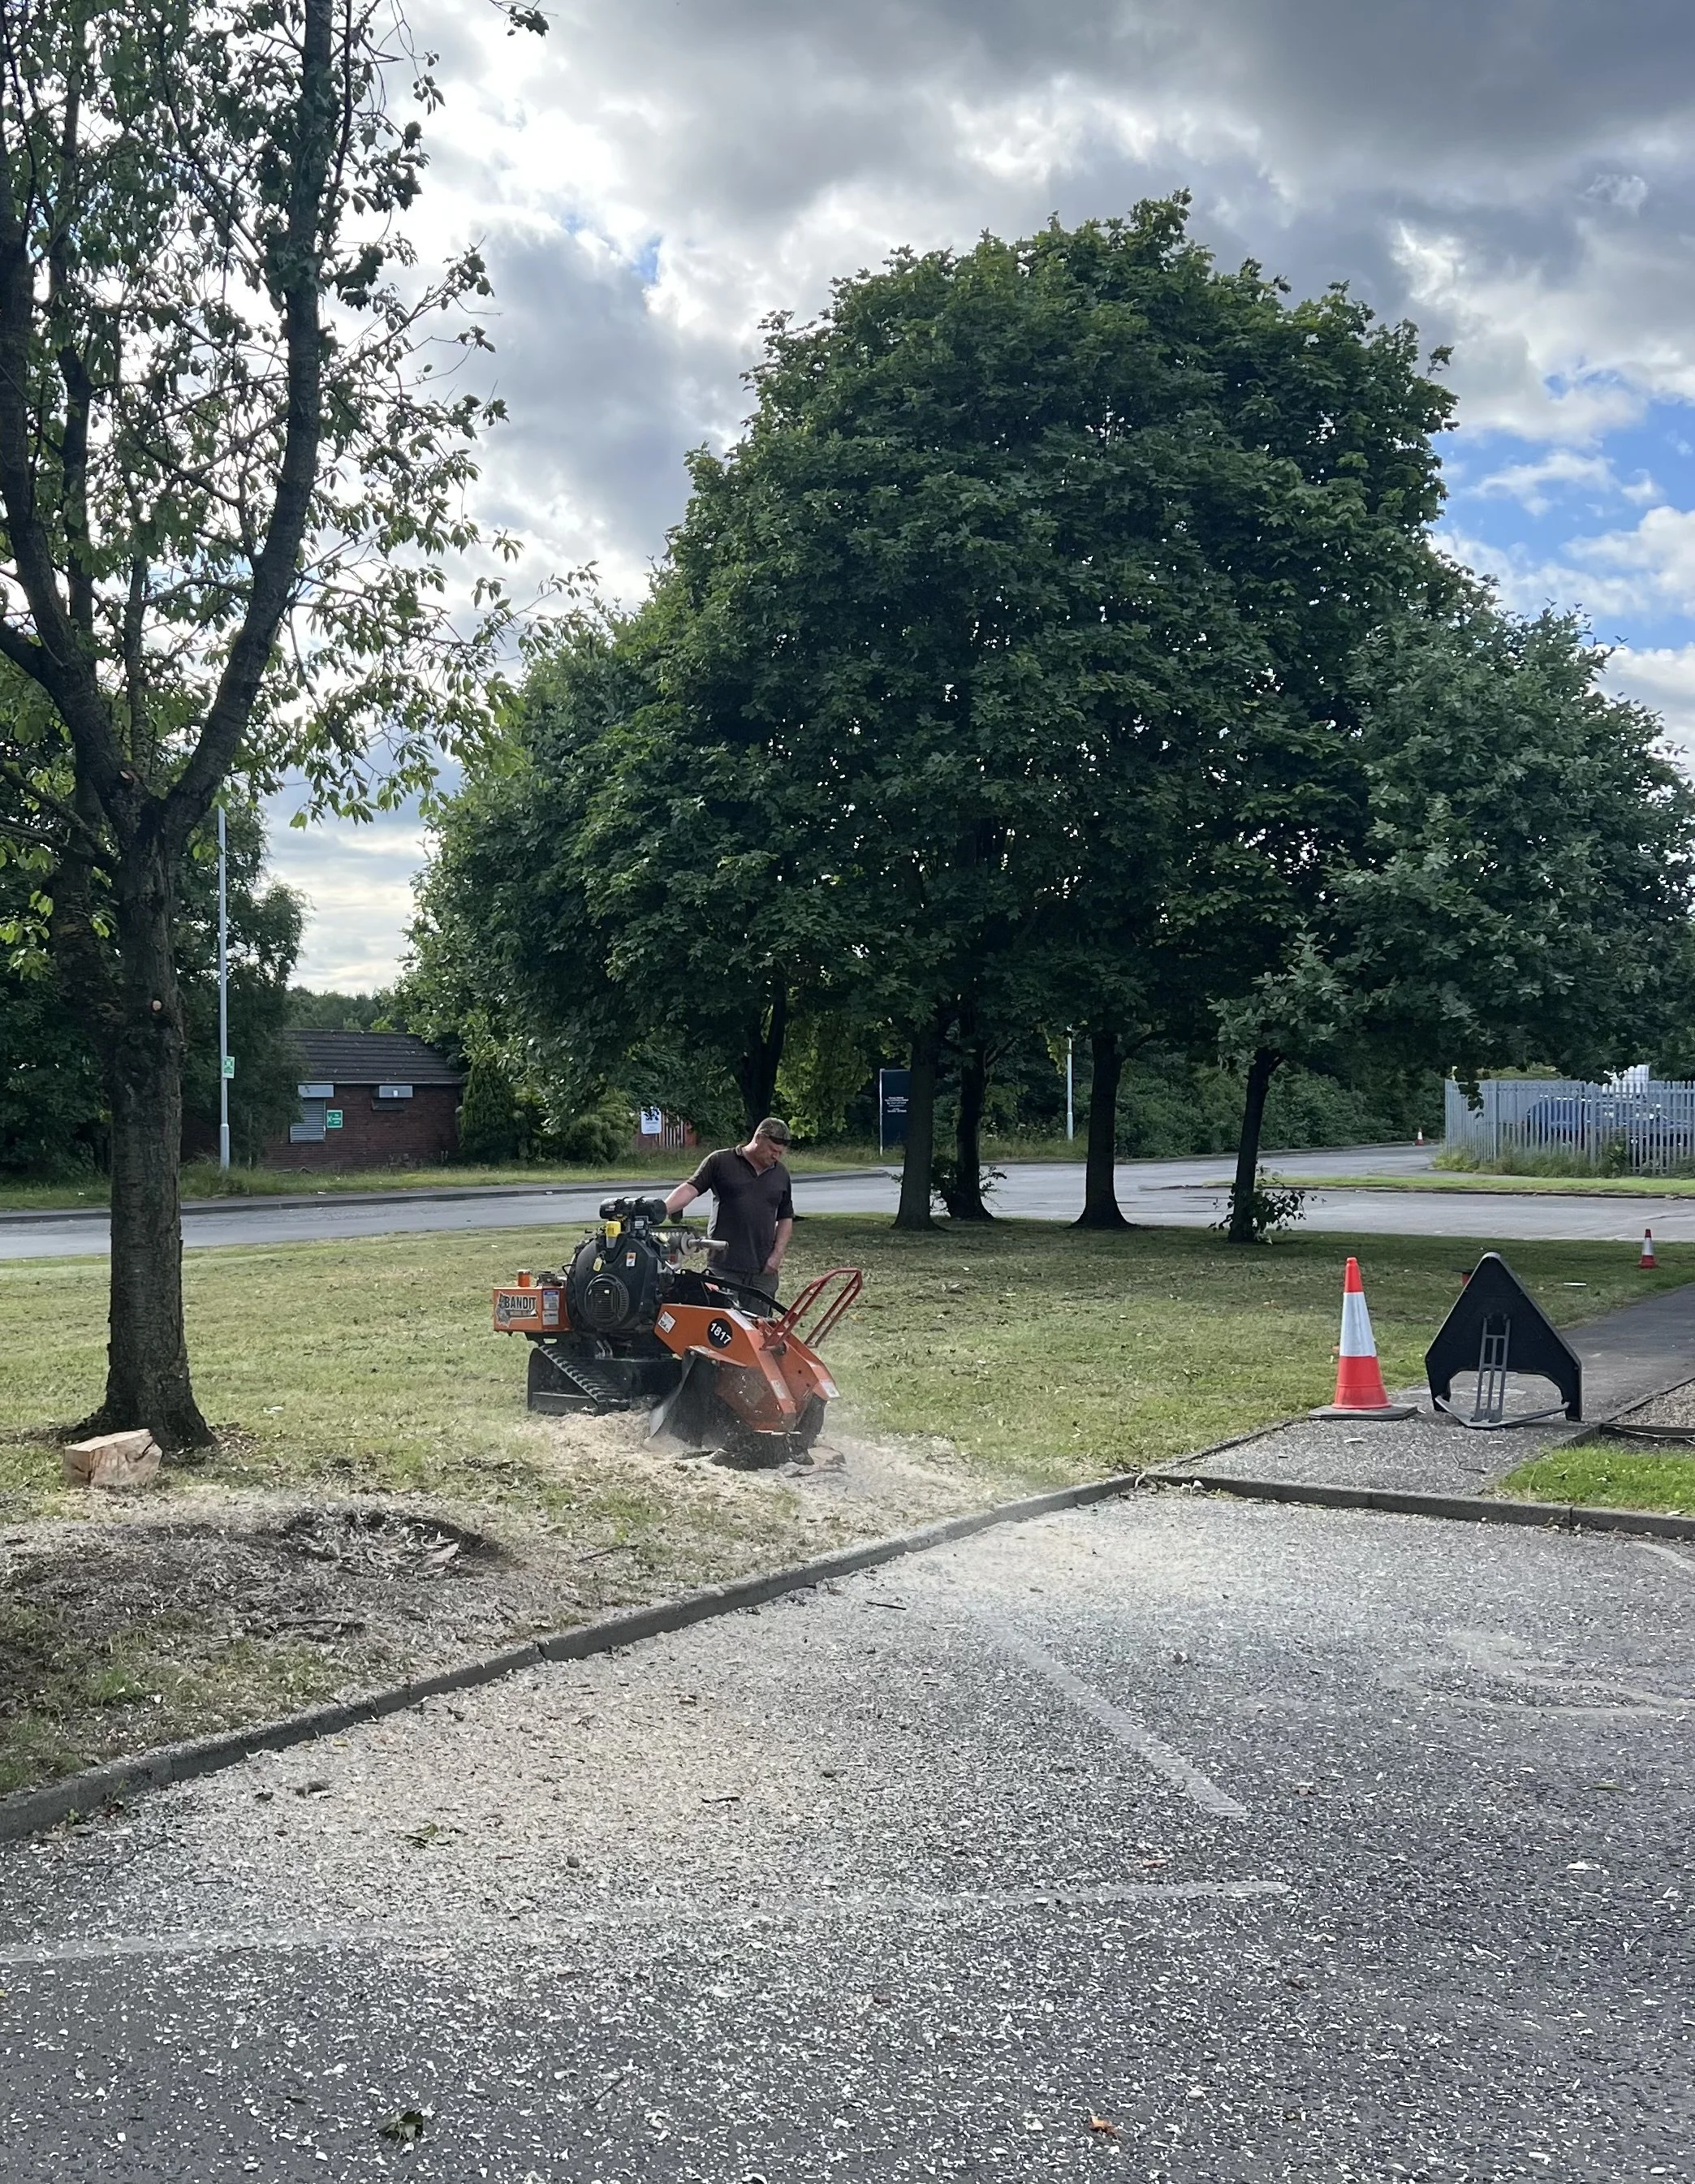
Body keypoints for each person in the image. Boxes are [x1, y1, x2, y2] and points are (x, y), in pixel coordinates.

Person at [665, 1117, 795, 1309]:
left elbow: (785, 1217)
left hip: (763, 1271)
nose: (776, 1156)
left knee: (759, 1330)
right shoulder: (721, 1161)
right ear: (758, 1138)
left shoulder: (781, 1174)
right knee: (723, 1326)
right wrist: (661, 1209)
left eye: (780, 1153)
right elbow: (690, 1188)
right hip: (724, 1267)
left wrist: (777, 1255)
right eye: (772, 1150)